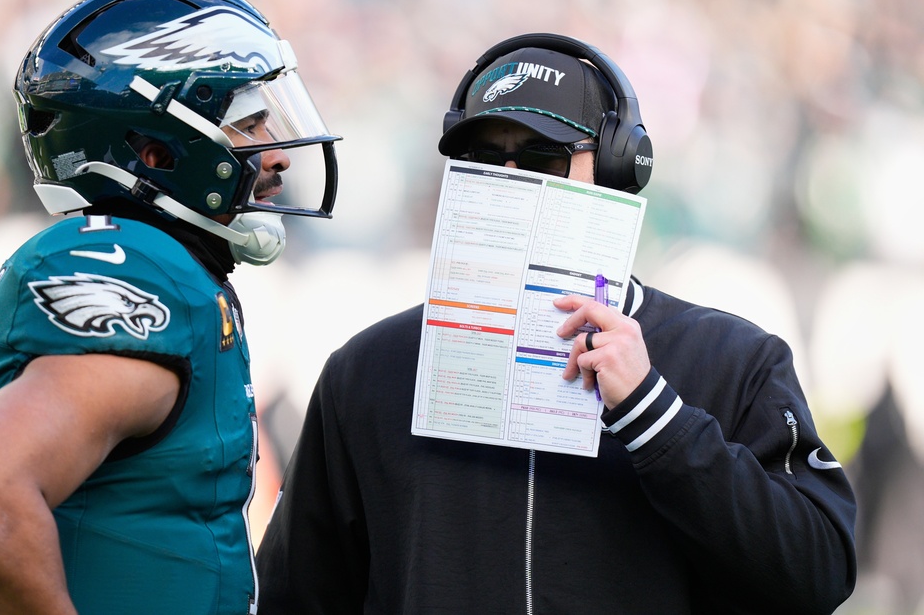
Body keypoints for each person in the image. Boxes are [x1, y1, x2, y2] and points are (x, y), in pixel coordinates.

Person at [256, 34, 857, 614]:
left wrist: (657, 419)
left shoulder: (731, 357)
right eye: (485, 158)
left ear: (620, 168)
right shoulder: (367, 372)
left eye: (542, 157)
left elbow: (818, 572)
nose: (511, 177)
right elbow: (297, 596)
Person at [0, 0, 340, 615]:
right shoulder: (139, 270)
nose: (278, 155)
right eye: (249, 124)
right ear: (157, 152)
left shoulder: (180, 271)